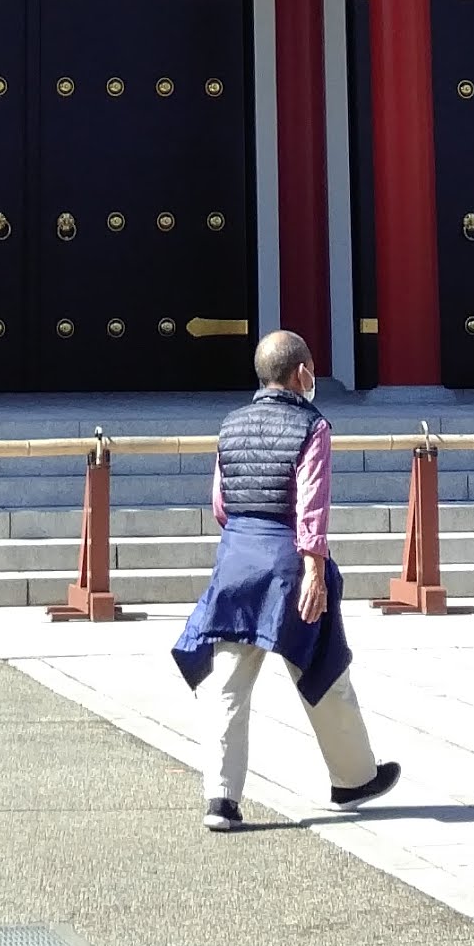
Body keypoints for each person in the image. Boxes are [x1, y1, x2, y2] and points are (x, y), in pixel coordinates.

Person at [173, 330, 401, 835]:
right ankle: (353, 776)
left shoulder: (230, 425)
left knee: (229, 684)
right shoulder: (311, 425)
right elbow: (311, 503)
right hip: (287, 562)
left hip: (236, 561)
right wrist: (315, 568)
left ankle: (222, 800)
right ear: (301, 373)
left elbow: (220, 505)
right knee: (322, 669)